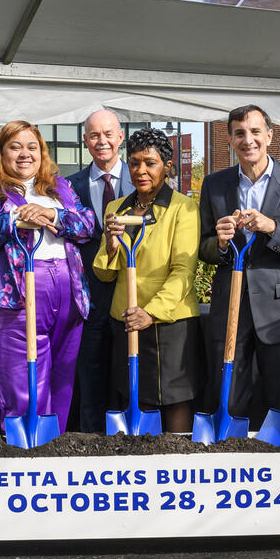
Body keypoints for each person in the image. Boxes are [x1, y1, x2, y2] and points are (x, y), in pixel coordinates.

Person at [0, 120, 95, 431]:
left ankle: (55, 446)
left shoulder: (59, 187)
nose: (25, 154)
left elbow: (87, 226)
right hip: (16, 295)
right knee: (24, 387)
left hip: (68, 291)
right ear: (1, 153)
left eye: (32, 147)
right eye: (15, 147)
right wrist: (14, 219)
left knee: (62, 382)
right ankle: (27, 451)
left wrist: (53, 214)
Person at [198, 105, 280, 425]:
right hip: (230, 306)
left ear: (269, 135)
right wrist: (222, 242)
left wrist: (272, 229)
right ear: (229, 139)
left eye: (255, 132)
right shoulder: (214, 185)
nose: (248, 140)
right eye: (240, 133)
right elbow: (203, 249)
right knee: (228, 398)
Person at [93, 128, 201, 433]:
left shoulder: (183, 207)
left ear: (167, 167)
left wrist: (150, 312)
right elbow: (103, 272)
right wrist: (111, 245)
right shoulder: (117, 209)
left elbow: (184, 271)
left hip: (169, 322)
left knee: (174, 397)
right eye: (135, 162)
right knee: (134, 396)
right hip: (125, 319)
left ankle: (176, 462)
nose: (141, 170)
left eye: (150, 163)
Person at [67, 109, 133, 433]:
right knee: (89, 379)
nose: (102, 141)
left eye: (108, 134)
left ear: (121, 137)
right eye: (94, 135)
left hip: (131, 297)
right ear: (85, 141)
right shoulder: (70, 186)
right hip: (89, 301)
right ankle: (88, 446)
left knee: (126, 379)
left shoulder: (142, 182)